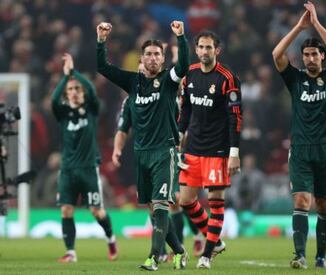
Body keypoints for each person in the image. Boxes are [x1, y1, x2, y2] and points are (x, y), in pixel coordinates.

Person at [97, 20, 189, 271]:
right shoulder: (133, 83)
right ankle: (179, 250)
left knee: (161, 205)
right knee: (153, 209)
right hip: (142, 153)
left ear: (161, 59)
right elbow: (103, 67)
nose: (152, 58)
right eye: (148, 54)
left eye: (157, 54)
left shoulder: (169, 80)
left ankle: (153, 257)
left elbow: (182, 65)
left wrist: (180, 38)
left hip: (165, 150)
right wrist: (101, 41)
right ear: (142, 58)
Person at [272, 1, 326, 269]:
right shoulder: (295, 80)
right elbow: (277, 55)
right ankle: (299, 255)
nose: (311, 58)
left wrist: (316, 24)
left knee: (324, 205)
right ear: (302, 57)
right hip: (301, 147)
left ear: (321, 58)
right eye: (307, 55)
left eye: (315, 54)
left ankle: (320, 256)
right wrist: (298, 28)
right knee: (302, 200)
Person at [178, 30, 243, 269]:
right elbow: (185, 110)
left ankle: (206, 255)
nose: (204, 52)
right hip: (193, 148)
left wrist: (234, 153)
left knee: (215, 201)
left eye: (209, 48)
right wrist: (179, 135)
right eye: (201, 47)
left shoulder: (227, 78)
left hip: (218, 150)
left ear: (217, 50)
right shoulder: (189, 75)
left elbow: (235, 117)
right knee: (185, 201)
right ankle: (215, 241)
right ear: (196, 50)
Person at [51, 53, 117, 263]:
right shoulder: (62, 113)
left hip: (89, 168)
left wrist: (73, 72)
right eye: (70, 89)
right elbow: (54, 98)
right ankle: (71, 252)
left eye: (77, 89)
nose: (74, 92)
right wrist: (65, 78)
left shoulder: (92, 110)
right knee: (66, 210)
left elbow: (91, 89)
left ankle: (111, 238)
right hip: (68, 169)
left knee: (97, 211)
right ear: (66, 94)